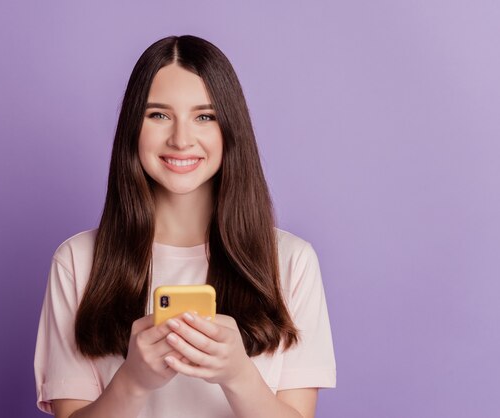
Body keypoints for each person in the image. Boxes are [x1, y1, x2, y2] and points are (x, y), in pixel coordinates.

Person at [34, 34, 336, 418]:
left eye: (204, 117)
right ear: (132, 127)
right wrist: (133, 380)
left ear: (230, 129)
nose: (180, 139)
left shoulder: (290, 262)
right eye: (158, 115)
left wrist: (239, 375)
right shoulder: (78, 261)